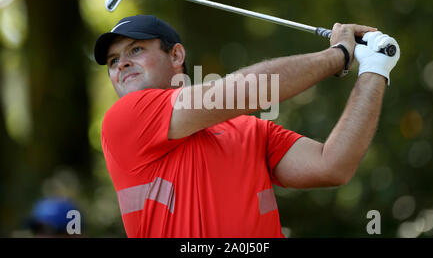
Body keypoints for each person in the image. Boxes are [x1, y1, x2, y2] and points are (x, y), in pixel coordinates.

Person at [94, 14, 400, 237]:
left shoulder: (251, 130)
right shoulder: (124, 118)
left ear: (176, 54)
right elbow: (246, 91)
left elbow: (333, 165)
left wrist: (374, 69)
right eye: (112, 60)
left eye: (135, 50)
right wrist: (339, 55)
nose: (121, 64)